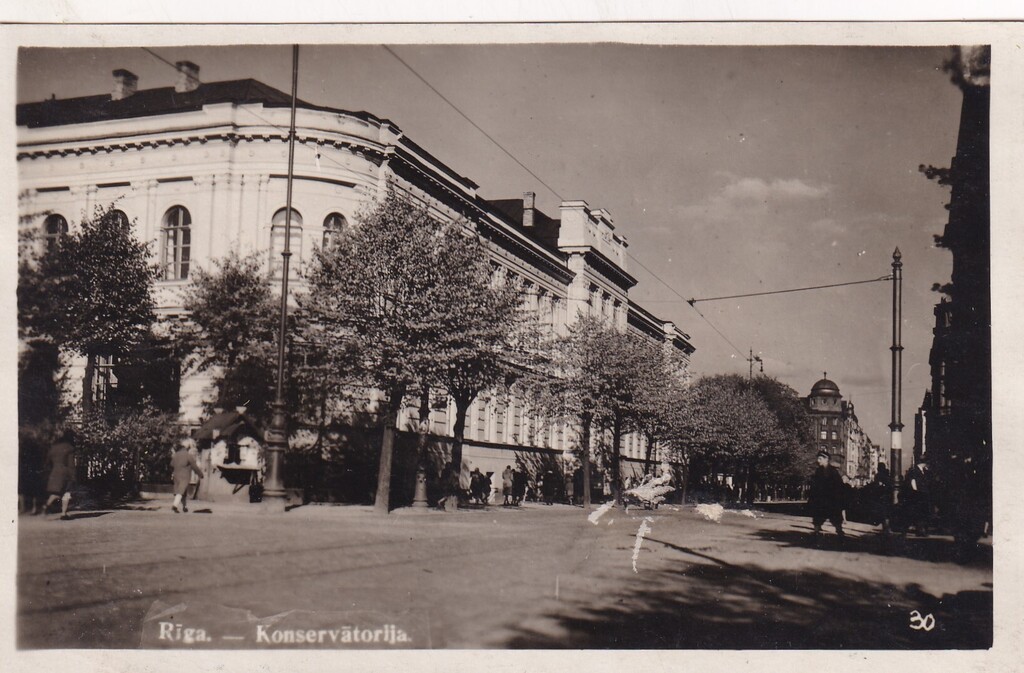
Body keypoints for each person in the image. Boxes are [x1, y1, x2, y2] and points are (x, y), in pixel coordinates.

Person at [808, 450, 845, 542]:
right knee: (818, 515)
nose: (818, 461)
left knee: (835, 516)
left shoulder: (833, 471)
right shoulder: (818, 471)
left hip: (831, 499)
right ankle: (816, 531)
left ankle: (840, 532)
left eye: (820, 459)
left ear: (826, 459)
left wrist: (837, 498)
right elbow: (814, 485)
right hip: (821, 499)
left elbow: (839, 486)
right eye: (818, 459)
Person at [44, 430, 77, 520]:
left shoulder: (53, 448)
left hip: (54, 472)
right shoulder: (69, 448)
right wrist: (73, 476)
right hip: (66, 473)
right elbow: (71, 464)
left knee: (56, 492)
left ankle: (47, 505)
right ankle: (63, 514)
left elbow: (47, 462)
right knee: (66, 493)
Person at [171, 442, 203, 513]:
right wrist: (200, 474)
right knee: (181, 490)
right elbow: (194, 466)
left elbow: (172, 464)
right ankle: (175, 505)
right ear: (186, 448)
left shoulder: (175, 455)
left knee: (182, 491)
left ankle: (184, 507)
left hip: (176, 474)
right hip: (185, 475)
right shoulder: (188, 455)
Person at [903, 459, 932, 536]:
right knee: (918, 512)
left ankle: (921, 530)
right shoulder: (914, 470)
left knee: (922, 513)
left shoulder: (923, 471)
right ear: (923, 463)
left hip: (923, 494)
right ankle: (919, 530)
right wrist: (916, 492)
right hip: (919, 494)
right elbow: (913, 482)